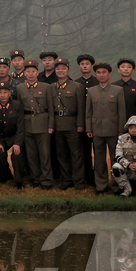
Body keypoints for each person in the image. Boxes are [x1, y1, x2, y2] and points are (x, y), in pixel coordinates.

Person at [85, 62, 127, 193]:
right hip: (97, 130)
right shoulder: (91, 91)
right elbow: (88, 112)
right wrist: (89, 129)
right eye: (98, 72)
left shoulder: (117, 90)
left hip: (114, 130)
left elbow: (122, 111)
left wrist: (121, 130)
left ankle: (116, 185)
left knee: (116, 159)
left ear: (109, 74)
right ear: (95, 74)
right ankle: (101, 186)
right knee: (99, 159)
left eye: (104, 72)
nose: (101, 75)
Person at [15, 60, 54, 189]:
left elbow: (51, 108)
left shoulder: (46, 87)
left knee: (45, 154)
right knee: (31, 155)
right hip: (27, 124)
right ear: (24, 73)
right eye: (28, 71)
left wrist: (51, 125)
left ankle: (47, 180)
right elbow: (19, 109)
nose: (31, 74)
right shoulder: (20, 88)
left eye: (33, 71)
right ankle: (35, 179)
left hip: (43, 123)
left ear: (37, 73)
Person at [51, 60, 88, 190]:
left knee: (76, 155)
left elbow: (81, 107)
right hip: (58, 125)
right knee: (61, 154)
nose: (60, 71)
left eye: (63, 68)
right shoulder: (52, 87)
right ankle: (66, 180)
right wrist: (52, 125)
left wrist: (80, 125)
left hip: (72, 124)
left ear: (68, 70)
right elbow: (51, 109)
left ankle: (79, 182)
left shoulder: (77, 86)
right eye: (58, 69)